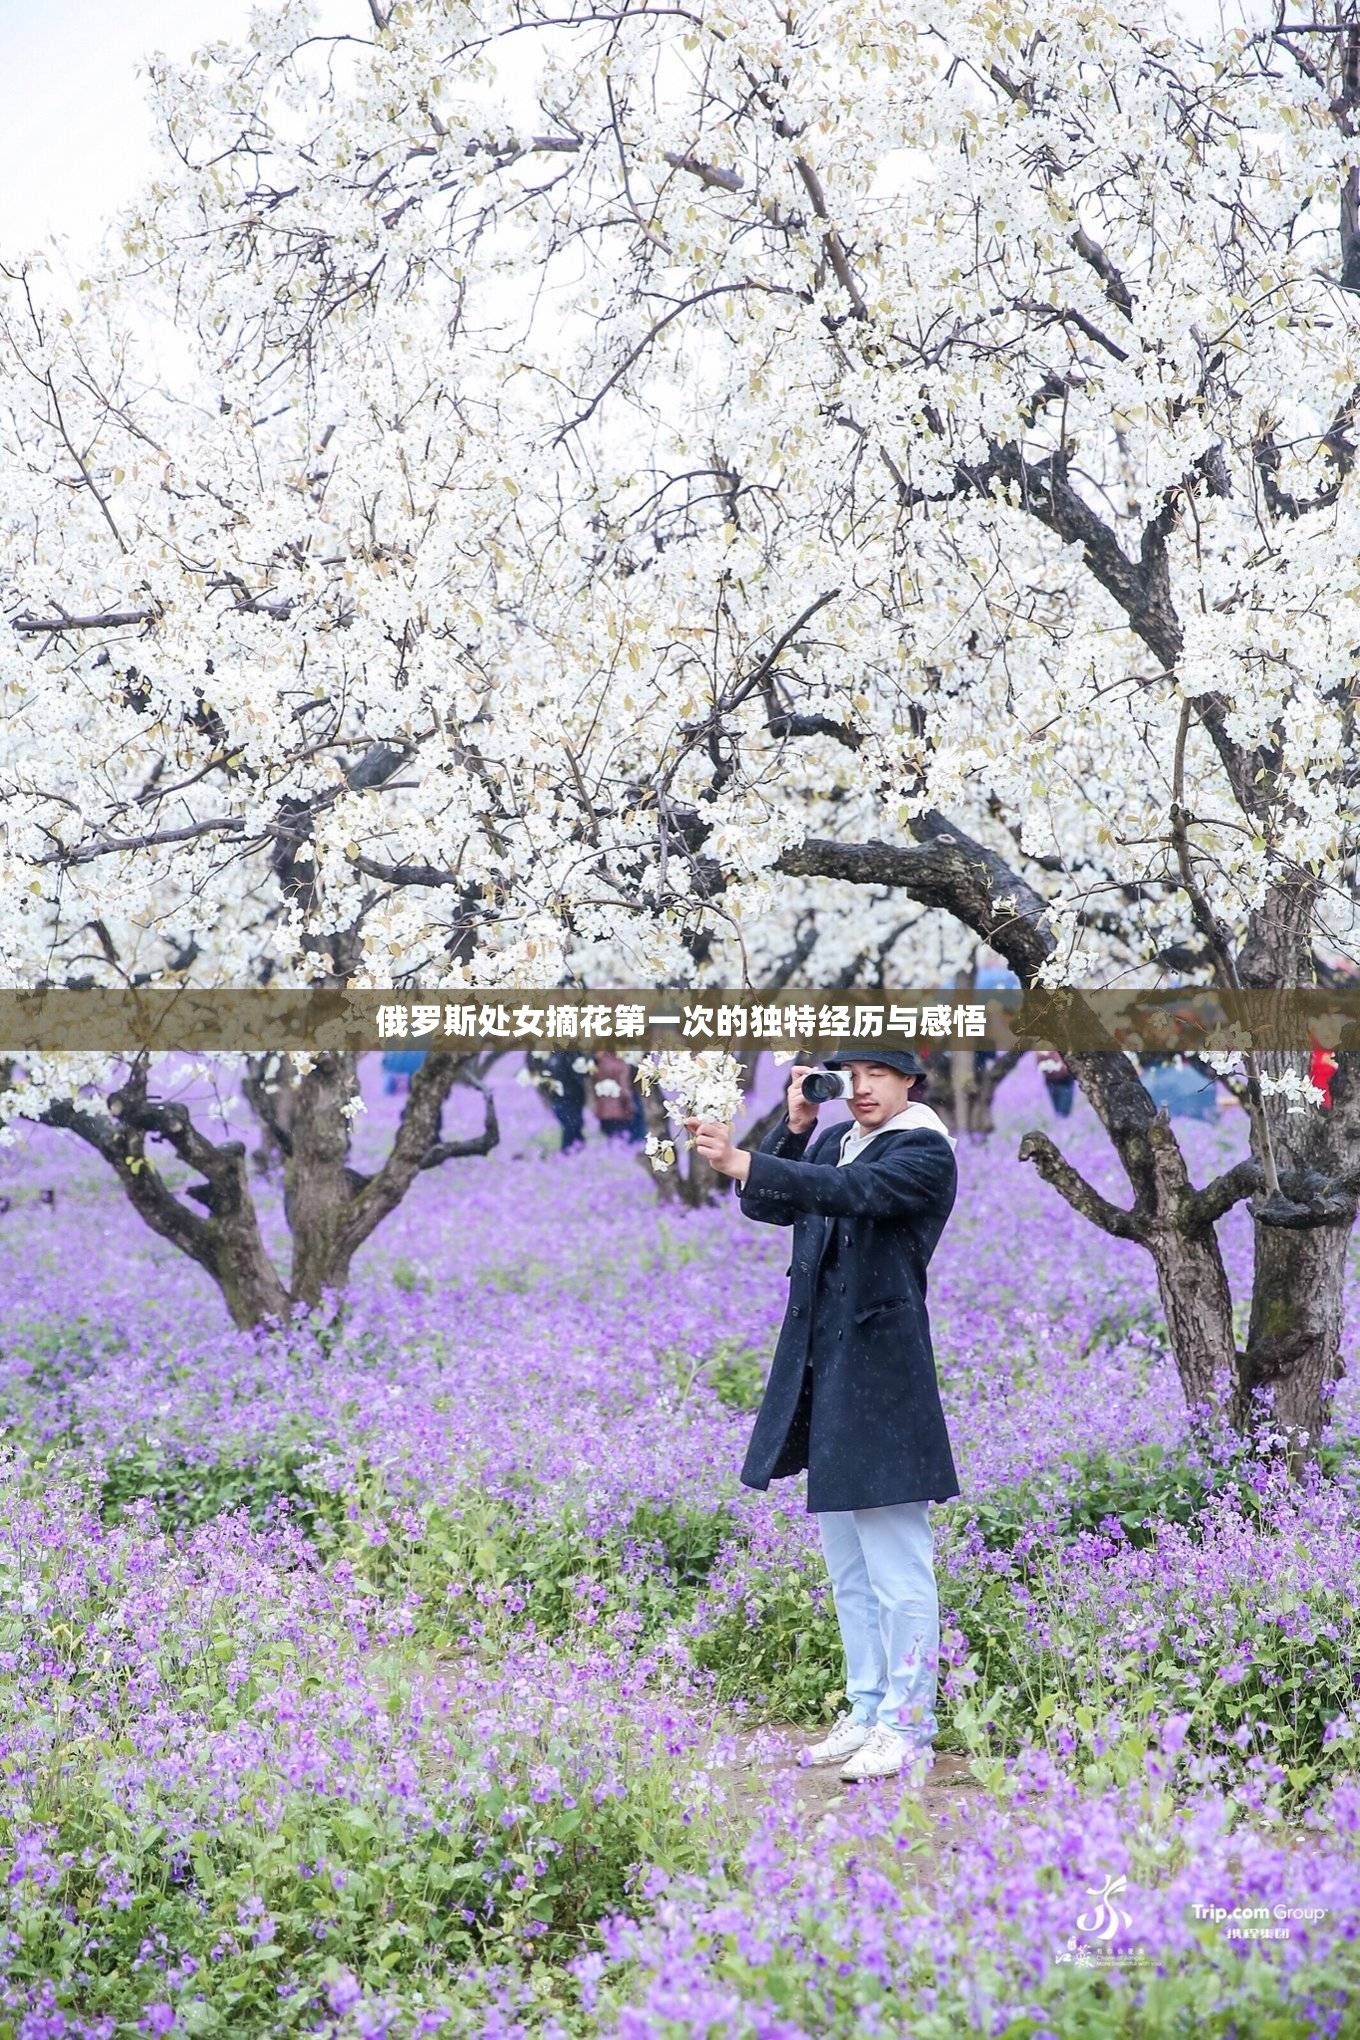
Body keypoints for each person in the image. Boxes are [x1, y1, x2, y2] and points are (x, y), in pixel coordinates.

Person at [685, 1051, 960, 1786]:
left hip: (883, 1377)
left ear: (911, 1082)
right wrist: (795, 1123)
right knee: (849, 1568)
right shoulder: (840, 1139)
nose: (861, 1088)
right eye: (850, 1075)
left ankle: (910, 1727)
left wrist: (749, 1157)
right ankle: (868, 1710)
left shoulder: (924, 1151)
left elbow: (850, 1193)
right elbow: (768, 1204)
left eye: (878, 1074)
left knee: (899, 1569)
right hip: (828, 1370)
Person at [589, 1049, 645, 1142]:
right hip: (619, 1109)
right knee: (623, 1137)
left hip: (603, 1108)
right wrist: (629, 1103)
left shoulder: (599, 1059)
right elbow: (624, 1088)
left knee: (611, 1138)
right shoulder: (620, 1062)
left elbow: (594, 1082)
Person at [1037, 1047, 1076, 1118]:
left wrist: (1058, 1067)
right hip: (1051, 1082)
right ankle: (1061, 1122)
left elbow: (1066, 1066)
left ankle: (1064, 1122)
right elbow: (1039, 1063)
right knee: (1057, 1109)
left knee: (1064, 1109)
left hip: (1064, 1081)